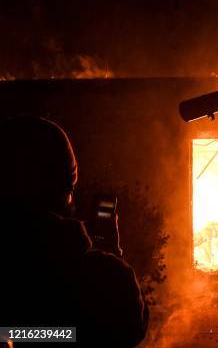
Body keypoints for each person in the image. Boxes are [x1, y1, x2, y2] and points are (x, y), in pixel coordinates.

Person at [0, 116, 148, 347]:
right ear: (66, 189)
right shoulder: (96, 276)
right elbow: (129, 328)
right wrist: (110, 253)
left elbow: (12, 334)